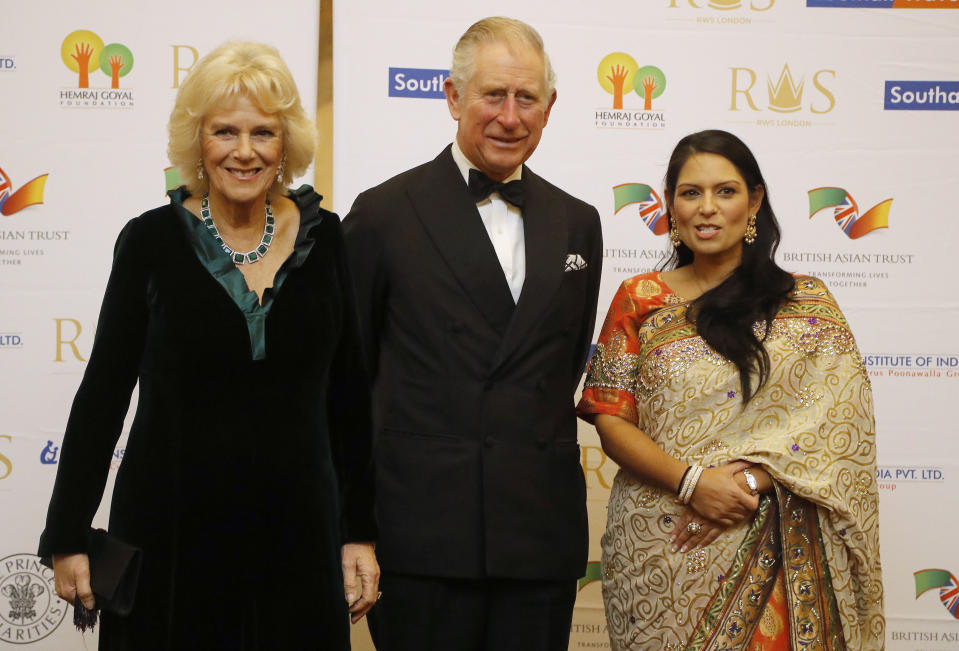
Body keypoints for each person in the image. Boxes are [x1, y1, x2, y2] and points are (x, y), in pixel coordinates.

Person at [38, 42, 379, 650]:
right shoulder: (149, 241)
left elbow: (349, 398)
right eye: (225, 131)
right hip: (170, 538)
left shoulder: (325, 242)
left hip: (298, 539)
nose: (244, 152)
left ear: (286, 144)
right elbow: (102, 394)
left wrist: (360, 534)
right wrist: (67, 533)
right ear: (198, 141)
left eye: (262, 133)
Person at [342, 16, 602, 651]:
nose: (510, 117)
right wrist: (354, 528)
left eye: (527, 98)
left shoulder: (578, 223)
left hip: (537, 541)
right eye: (493, 95)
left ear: (550, 107)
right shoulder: (382, 214)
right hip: (421, 540)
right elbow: (346, 383)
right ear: (453, 97)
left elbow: (559, 369)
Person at [577, 129, 884, 650]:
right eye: (690, 193)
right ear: (671, 206)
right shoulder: (639, 299)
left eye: (726, 191)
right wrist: (692, 482)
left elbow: (839, 428)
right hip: (659, 551)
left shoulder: (807, 304)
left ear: (755, 201)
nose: (707, 208)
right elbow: (610, 420)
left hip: (771, 535)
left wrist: (752, 483)